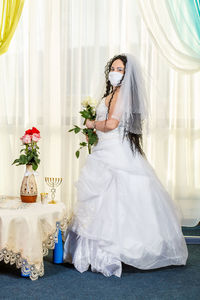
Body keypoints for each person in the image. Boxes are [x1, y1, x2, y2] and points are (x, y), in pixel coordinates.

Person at [63, 53, 188, 277]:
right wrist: (92, 131)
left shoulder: (122, 96)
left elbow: (111, 124)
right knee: (99, 200)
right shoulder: (111, 94)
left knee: (117, 200)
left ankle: (116, 250)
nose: (115, 72)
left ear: (126, 73)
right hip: (103, 150)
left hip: (116, 152)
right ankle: (96, 250)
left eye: (120, 69)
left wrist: (91, 124)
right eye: (113, 68)